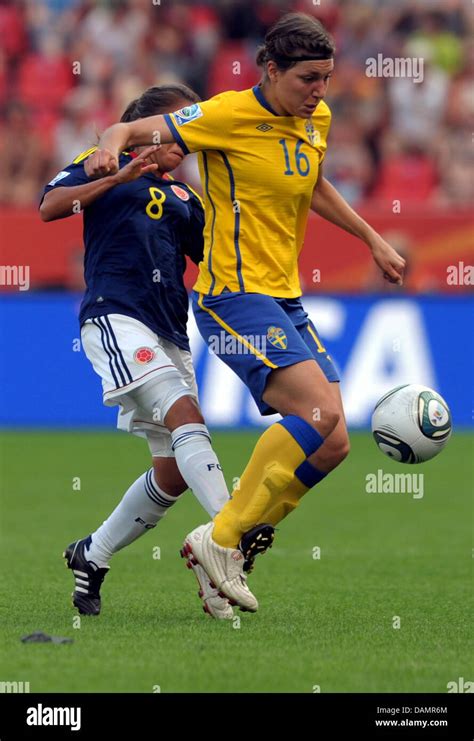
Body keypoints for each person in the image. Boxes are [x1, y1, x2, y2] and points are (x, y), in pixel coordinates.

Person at [85, 13, 406, 614]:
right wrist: (108, 144)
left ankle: (230, 547)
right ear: (272, 70)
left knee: (333, 443)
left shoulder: (318, 119)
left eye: (327, 79)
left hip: (283, 296)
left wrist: (372, 239)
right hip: (232, 298)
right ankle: (222, 537)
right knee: (318, 410)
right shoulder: (226, 114)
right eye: (308, 78)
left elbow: (311, 184)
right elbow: (126, 129)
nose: (319, 92)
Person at [40, 84, 269, 621]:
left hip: (170, 329)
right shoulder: (101, 161)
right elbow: (51, 206)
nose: (180, 142)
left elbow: (216, 259)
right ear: (144, 125)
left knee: (170, 472)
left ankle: (91, 554)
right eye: (173, 130)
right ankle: (229, 531)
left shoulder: (186, 198)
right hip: (115, 315)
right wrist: (117, 177)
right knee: (186, 413)